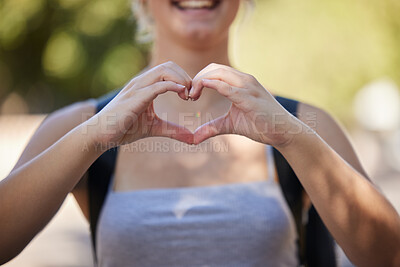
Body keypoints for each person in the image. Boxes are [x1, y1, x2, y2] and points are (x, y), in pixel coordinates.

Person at [1, 0, 400, 266]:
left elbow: (389, 255)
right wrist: (93, 138)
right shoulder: (79, 127)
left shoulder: (305, 124)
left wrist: (291, 137)